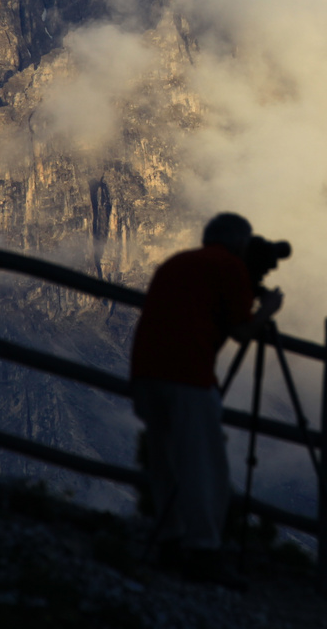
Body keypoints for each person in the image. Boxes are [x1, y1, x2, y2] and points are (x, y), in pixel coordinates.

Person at [130, 212, 283, 588]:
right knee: (203, 467)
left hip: (145, 373)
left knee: (164, 462)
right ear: (240, 246)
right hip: (188, 377)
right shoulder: (228, 268)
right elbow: (242, 331)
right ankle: (203, 553)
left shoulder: (178, 262)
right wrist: (267, 309)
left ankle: (168, 542)